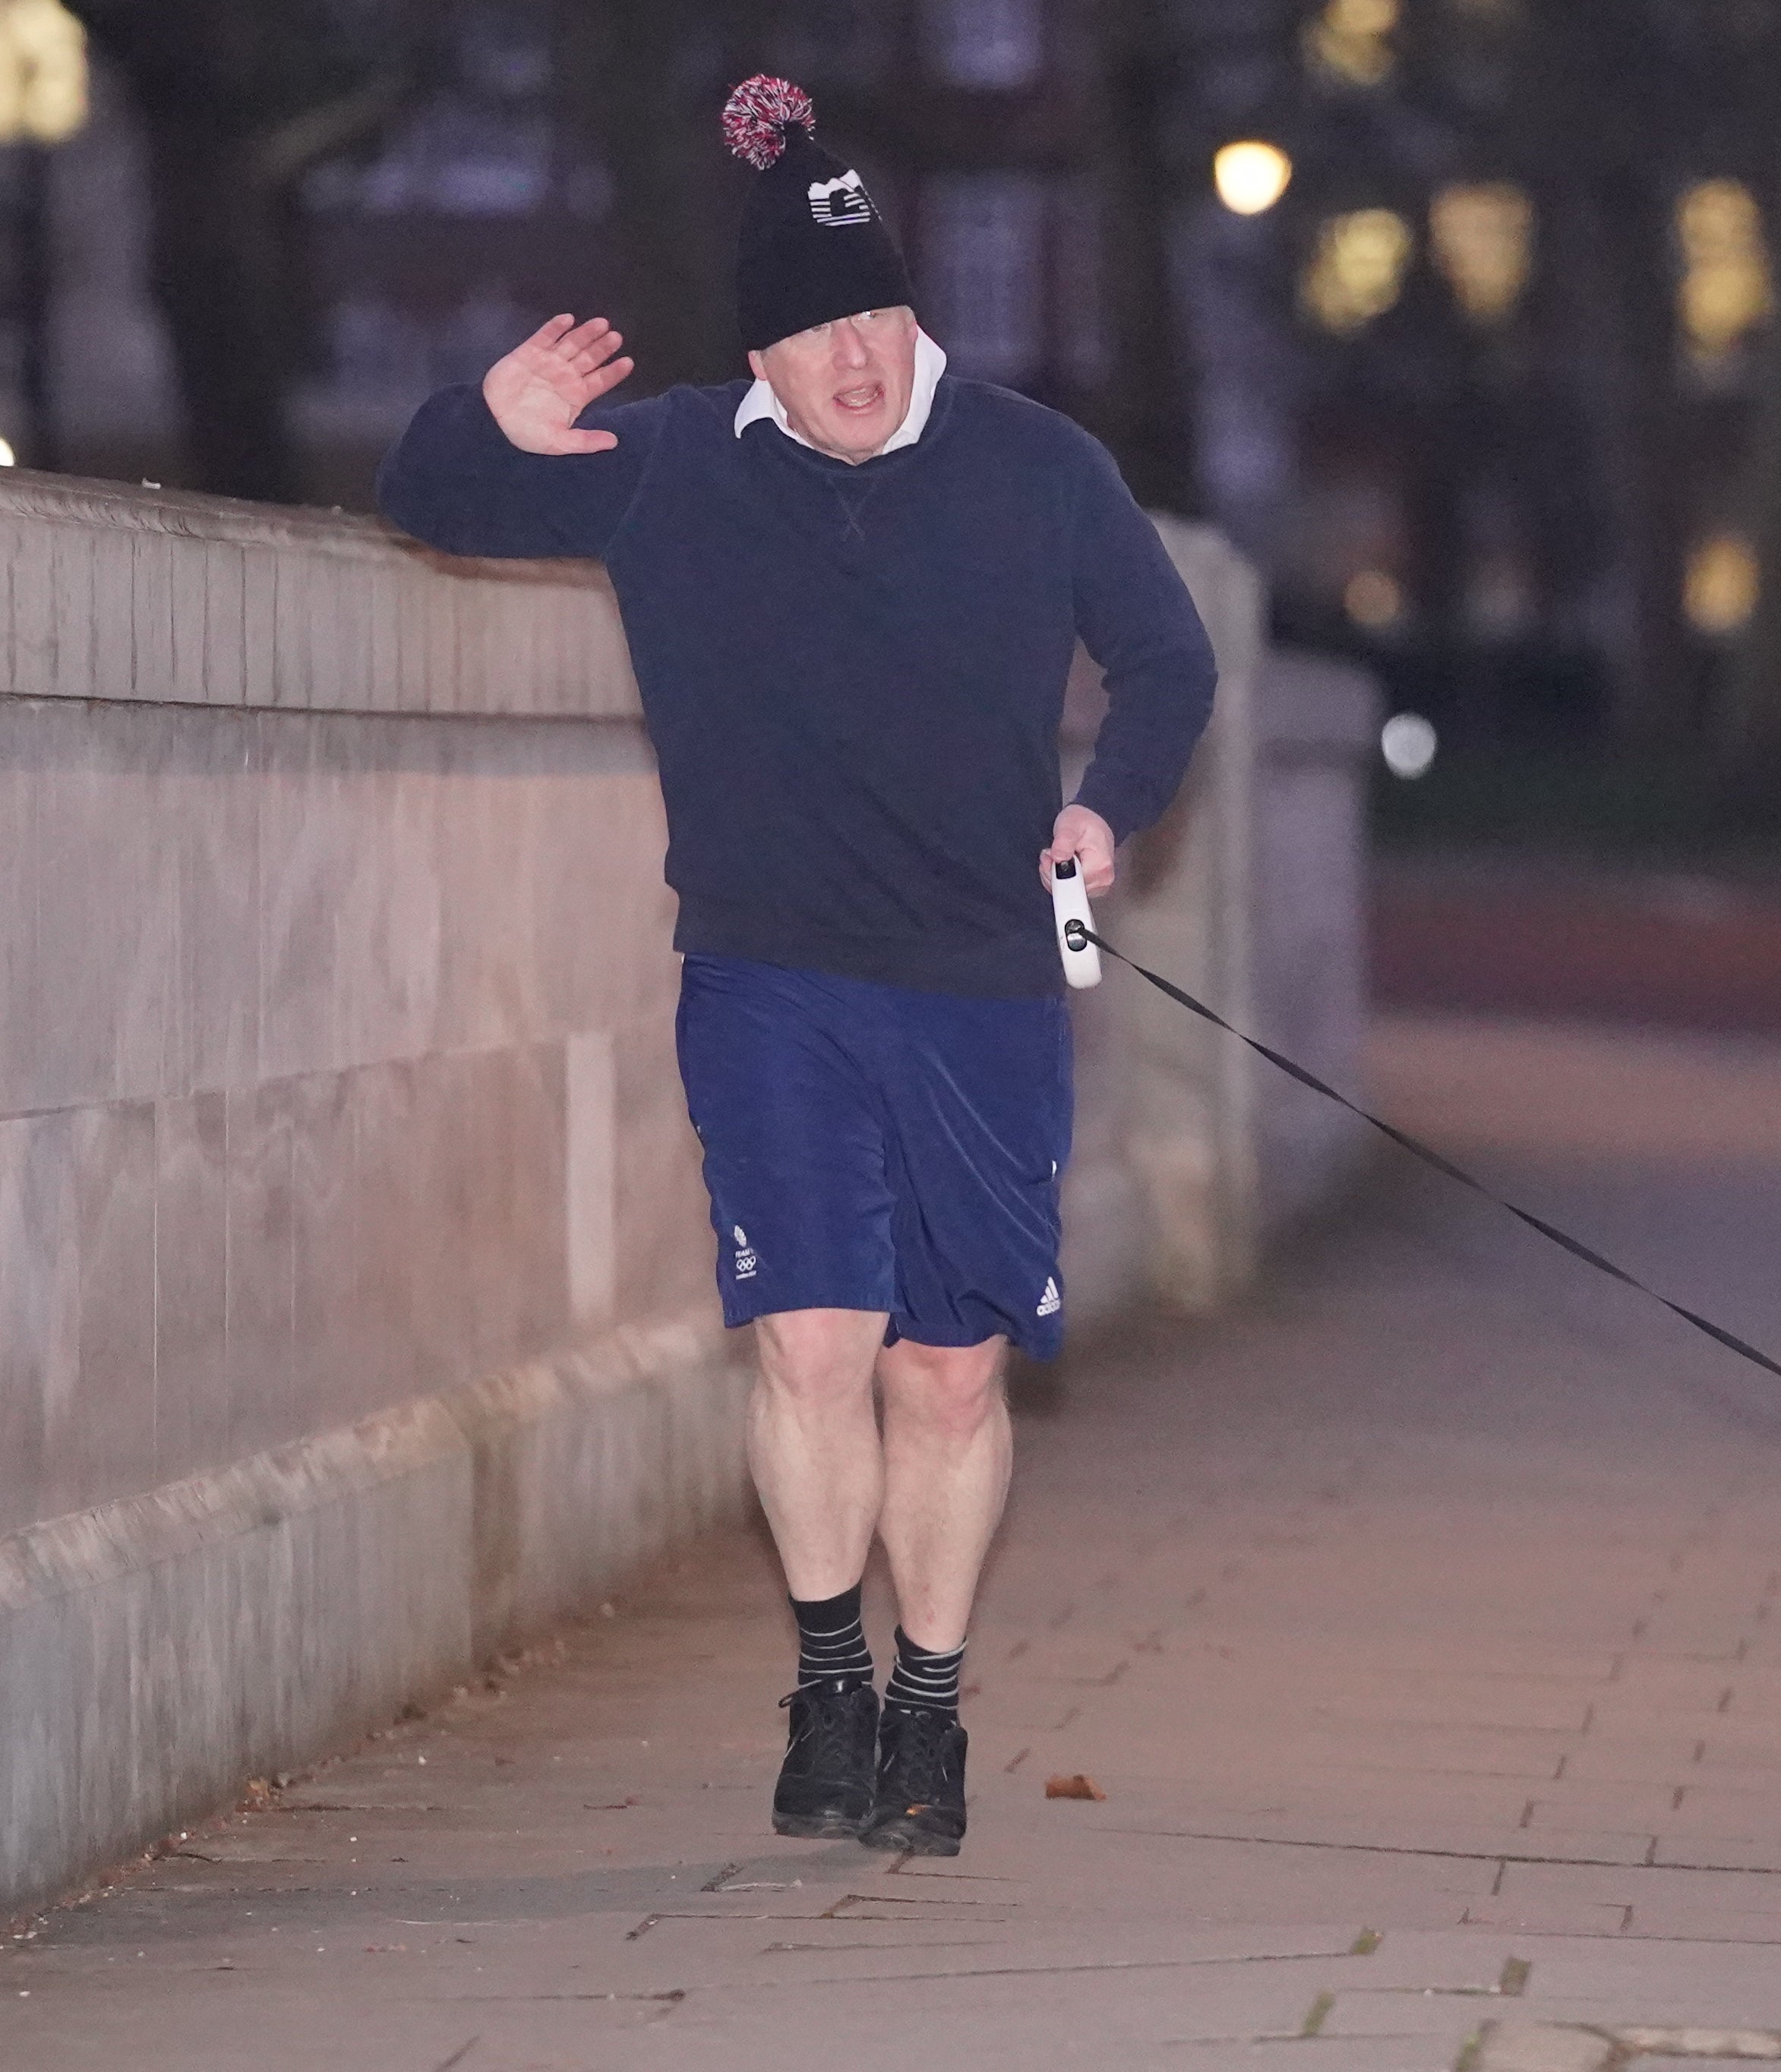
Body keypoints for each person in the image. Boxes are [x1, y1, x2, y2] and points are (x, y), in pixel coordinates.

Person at [376, 77, 1217, 1857]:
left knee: (949, 1372)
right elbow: (430, 499)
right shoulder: (676, 463)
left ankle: (929, 1705)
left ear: (916, 316)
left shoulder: (1039, 467)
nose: (852, 357)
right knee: (815, 1340)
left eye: (878, 318)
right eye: (815, 330)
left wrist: (1105, 810)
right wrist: (485, 417)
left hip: (982, 983)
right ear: (760, 355)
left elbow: (1168, 663)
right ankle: (828, 1681)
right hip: (769, 977)